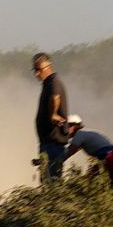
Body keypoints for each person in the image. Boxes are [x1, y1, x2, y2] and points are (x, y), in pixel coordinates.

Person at [32, 52, 69, 182]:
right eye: (34, 70)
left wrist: (53, 113)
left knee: (51, 184)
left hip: (53, 144)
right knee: (47, 182)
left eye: (39, 70)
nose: (36, 73)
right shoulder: (48, 83)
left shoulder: (54, 82)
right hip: (47, 143)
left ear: (49, 67)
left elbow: (56, 96)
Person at [64, 114, 113, 184]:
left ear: (75, 126)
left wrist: (57, 162)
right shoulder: (87, 134)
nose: (66, 129)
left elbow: (70, 151)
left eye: (68, 126)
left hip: (107, 159)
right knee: (109, 187)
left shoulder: (79, 134)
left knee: (88, 184)